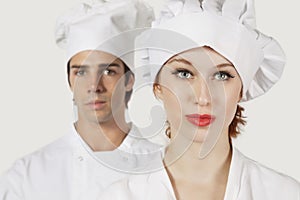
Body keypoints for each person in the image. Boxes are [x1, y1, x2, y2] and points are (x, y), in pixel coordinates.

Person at [99, 0, 300, 199]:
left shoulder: (283, 193)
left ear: (241, 90)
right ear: (158, 86)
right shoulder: (121, 196)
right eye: (184, 74)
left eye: (222, 76)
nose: (203, 98)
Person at [0, 0, 161, 199]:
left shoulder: (164, 165)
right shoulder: (27, 176)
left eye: (108, 71)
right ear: (69, 81)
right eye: (81, 72)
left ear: (129, 80)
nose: (94, 86)